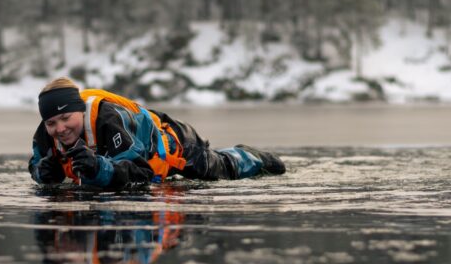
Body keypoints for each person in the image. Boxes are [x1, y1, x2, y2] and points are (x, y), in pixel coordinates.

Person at [28, 77, 286, 189]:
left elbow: (140, 172)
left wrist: (98, 168)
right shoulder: (45, 134)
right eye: (51, 123)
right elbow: (35, 166)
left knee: (222, 169)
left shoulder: (109, 119)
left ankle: (251, 156)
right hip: (137, 150)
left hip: (175, 144)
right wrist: (44, 172)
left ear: (80, 111)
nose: (59, 129)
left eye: (66, 118)